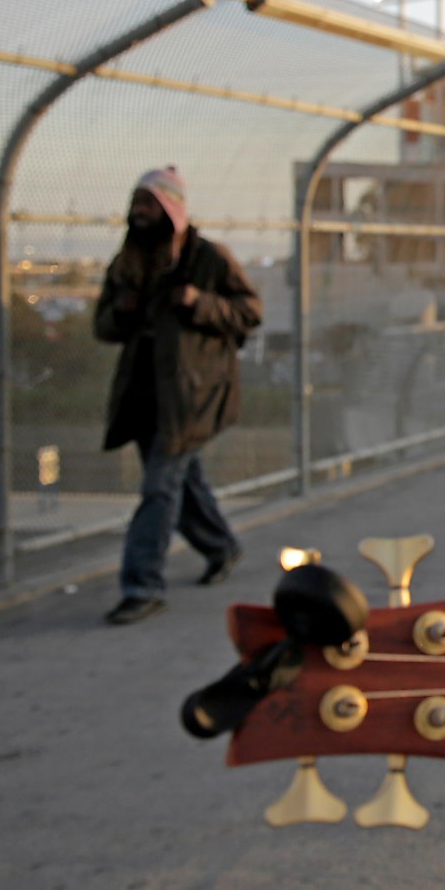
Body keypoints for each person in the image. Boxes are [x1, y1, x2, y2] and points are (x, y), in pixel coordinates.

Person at [93, 166, 262, 625]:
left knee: (159, 488)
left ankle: (142, 585)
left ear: (170, 208)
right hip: (144, 393)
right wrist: (122, 313)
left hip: (194, 395)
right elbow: (102, 326)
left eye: (148, 204)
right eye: (136, 204)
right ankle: (221, 546)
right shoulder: (128, 261)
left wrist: (198, 302)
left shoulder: (208, 258)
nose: (138, 213)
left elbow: (249, 312)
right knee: (182, 484)